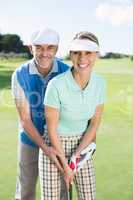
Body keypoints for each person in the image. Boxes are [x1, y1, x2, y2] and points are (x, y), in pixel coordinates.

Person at [39, 31, 106, 200]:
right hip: (54, 146)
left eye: (88, 53)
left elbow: (94, 123)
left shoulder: (100, 84)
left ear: (96, 54)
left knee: (88, 196)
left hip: (81, 145)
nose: (82, 58)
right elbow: (52, 128)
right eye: (77, 52)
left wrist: (76, 156)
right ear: (71, 54)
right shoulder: (56, 85)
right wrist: (65, 166)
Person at [11, 28, 69, 200]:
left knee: (61, 191)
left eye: (50, 47)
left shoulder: (67, 72)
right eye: (39, 47)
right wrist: (45, 148)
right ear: (31, 48)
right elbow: (25, 119)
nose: (45, 53)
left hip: (59, 140)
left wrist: (56, 147)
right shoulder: (20, 74)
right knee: (25, 190)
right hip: (29, 139)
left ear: (56, 49)